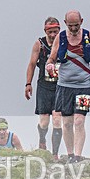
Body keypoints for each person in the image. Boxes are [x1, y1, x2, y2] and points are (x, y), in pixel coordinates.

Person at [45, 10, 90, 163]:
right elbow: (51, 58)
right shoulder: (61, 37)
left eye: (76, 25)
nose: (73, 28)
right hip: (64, 86)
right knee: (67, 122)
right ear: (65, 24)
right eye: (70, 25)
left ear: (82, 21)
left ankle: (78, 155)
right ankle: (70, 154)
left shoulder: (88, 36)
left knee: (79, 120)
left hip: (83, 85)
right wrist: (50, 65)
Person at [26, 17, 63, 160]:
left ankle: (55, 153)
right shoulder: (39, 45)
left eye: (55, 32)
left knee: (57, 120)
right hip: (44, 86)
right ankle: (42, 140)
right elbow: (31, 64)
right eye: (50, 32)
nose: (53, 35)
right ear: (45, 31)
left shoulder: (65, 43)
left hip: (60, 88)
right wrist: (28, 84)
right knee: (44, 121)